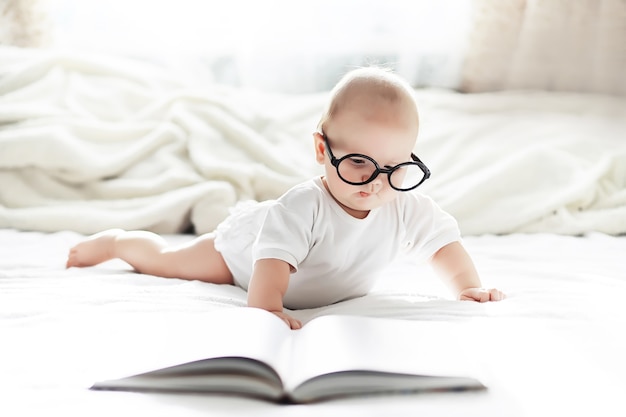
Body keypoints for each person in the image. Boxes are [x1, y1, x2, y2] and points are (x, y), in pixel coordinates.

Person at [66, 67, 505, 329]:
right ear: (322, 150)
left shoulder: (403, 204)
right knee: (167, 261)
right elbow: (272, 266)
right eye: (359, 163)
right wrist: (268, 308)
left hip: (287, 263)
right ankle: (118, 242)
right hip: (245, 256)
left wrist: (468, 287)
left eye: (394, 169)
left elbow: (443, 245)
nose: (375, 183)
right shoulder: (304, 207)